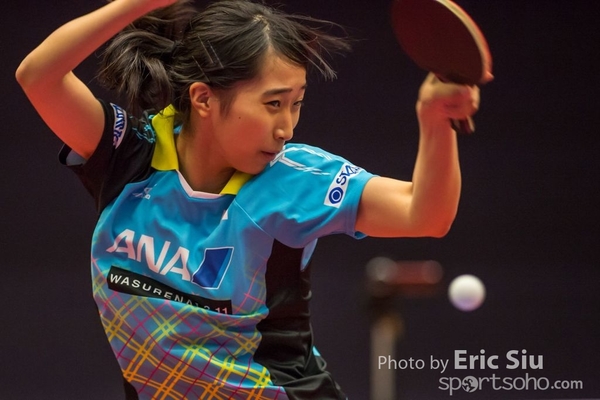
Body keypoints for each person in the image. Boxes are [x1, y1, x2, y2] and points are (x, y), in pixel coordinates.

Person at [16, 0, 482, 398]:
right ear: (203, 99)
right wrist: (138, 3)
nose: (287, 127)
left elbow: (426, 214)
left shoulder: (294, 180)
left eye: (297, 104)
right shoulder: (127, 155)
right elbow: (38, 76)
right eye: (273, 104)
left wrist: (434, 122)